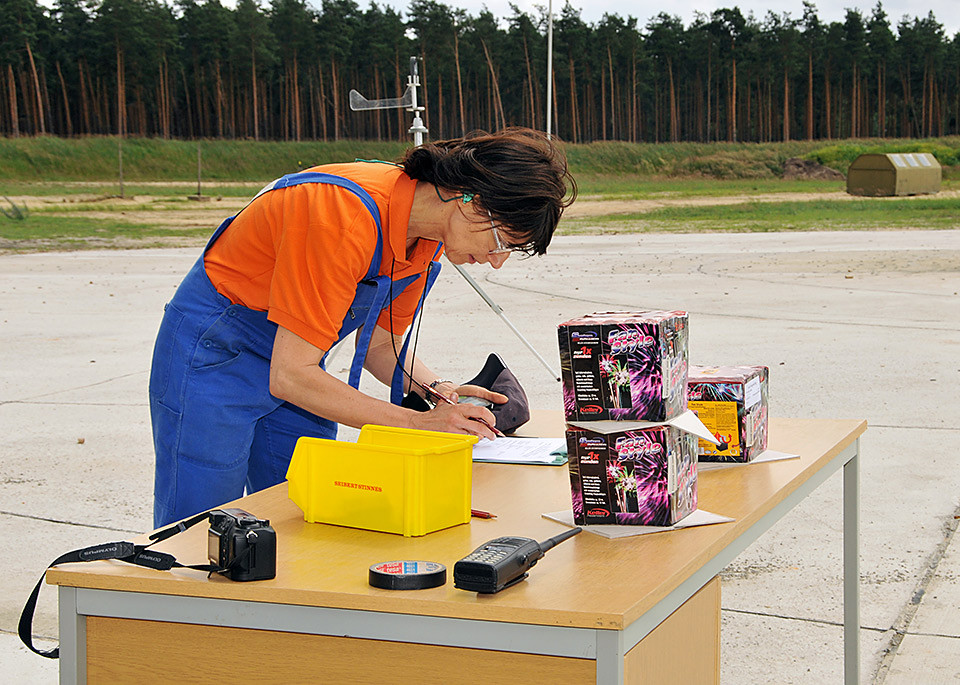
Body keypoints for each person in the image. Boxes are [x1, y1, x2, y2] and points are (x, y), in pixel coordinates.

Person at [149, 127, 577, 527]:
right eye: (503, 241)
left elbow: (380, 347)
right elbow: (291, 375)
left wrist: (439, 392)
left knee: (301, 512)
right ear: (470, 199)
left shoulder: (425, 235)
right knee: (203, 525)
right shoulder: (341, 215)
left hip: (298, 362)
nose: (497, 260)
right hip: (217, 352)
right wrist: (420, 425)